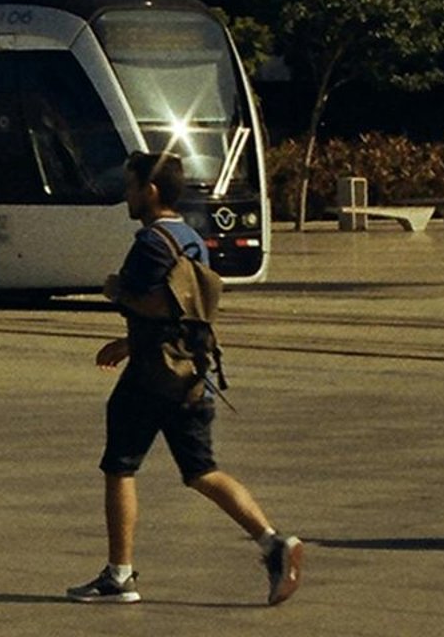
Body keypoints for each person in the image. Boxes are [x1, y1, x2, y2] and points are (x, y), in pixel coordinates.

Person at [68, 146, 303, 608]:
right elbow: (183, 313)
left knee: (119, 466)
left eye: (132, 186)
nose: (127, 195)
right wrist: (127, 343)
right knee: (202, 471)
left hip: (150, 379)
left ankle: (119, 576)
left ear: (150, 191)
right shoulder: (192, 239)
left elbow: (156, 304)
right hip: (189, 370)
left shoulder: (150, 244)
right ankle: (274, 543)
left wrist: (116, 289)